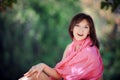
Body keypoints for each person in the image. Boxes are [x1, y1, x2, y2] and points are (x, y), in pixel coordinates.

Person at [19, 13, 104, 80]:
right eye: (77, 25)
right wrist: (42, 66)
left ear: (89, 31)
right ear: (72, 28)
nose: (80, 30)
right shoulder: (69, 47)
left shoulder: (91, 52)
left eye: (85, 27)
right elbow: (60, 75)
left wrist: (43, 66)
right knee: (34, 74)